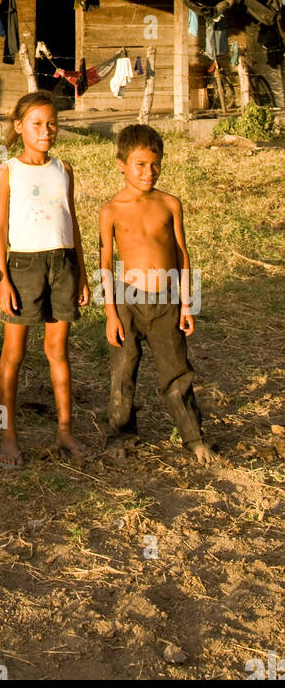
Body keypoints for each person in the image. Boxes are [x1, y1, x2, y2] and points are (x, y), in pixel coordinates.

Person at [100, 124, 215, 466]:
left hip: (166, 301)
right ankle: (121, 434)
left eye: (155, 164)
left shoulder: (169, 204)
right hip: (127, 301)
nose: (148, 172)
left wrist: (186, 304)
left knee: (177, 371)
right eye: (140, 165)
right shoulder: (111, 210)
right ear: (121, 163)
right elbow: (105, 262)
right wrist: (110, 312)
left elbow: (182, 253)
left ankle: (193, 438)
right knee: (123, 372)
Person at [0, 91, 90, 467]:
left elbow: (73, 222)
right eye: (36, 124)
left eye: (52, 124)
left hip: (62, 264)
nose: (46, 131)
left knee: (58, 352)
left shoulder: (63, 169)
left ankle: (65, 429)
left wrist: (80, 273)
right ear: (19, 127)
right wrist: (3, 278)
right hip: (23, 268)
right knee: (13, 354)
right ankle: (7, 433)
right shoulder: (8, 171)